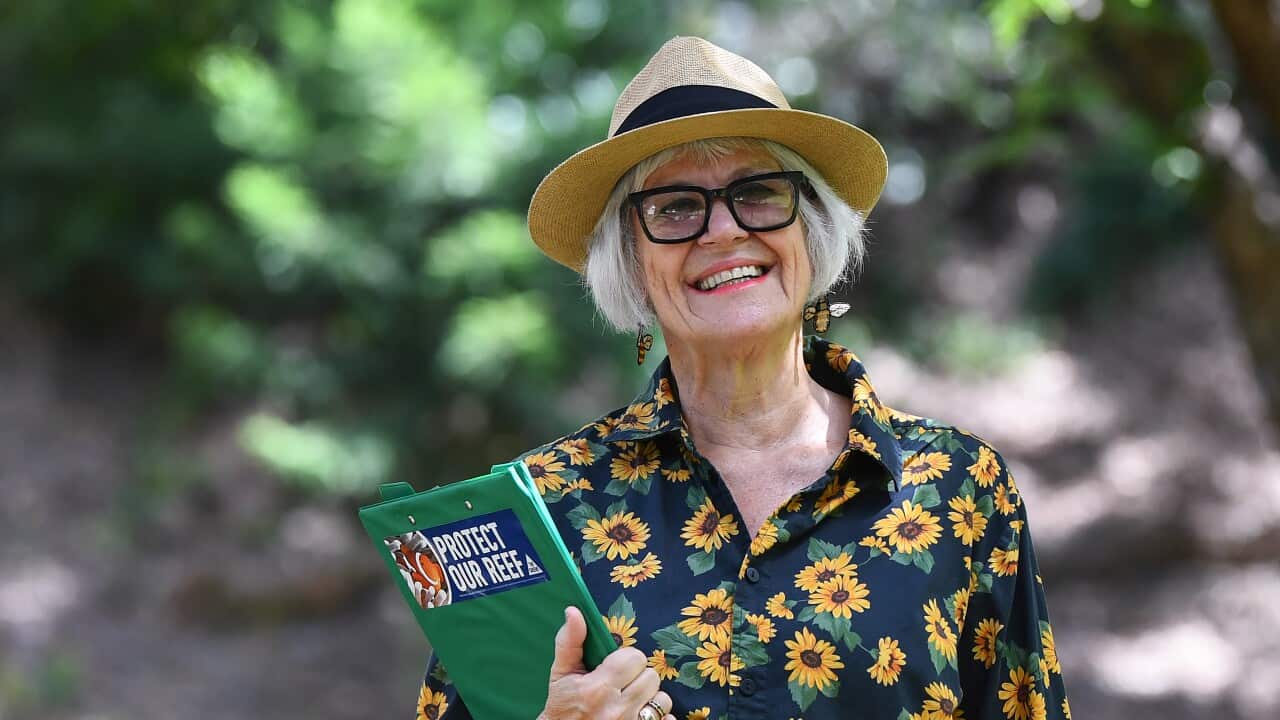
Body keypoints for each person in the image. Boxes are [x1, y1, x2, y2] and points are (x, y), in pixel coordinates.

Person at [414, 36, 1070, 720]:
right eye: (673, 208)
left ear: (811, 233)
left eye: (758, 193)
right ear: (631, 264)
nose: (722, 230)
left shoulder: (959, 488)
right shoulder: (527, 517)